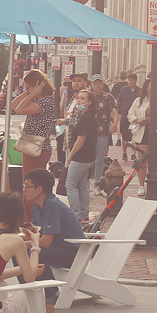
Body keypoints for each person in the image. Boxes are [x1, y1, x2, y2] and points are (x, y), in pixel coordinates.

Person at [24, 167, 86, 313]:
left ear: (39, 189)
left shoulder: (51, 205)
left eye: (27, 186)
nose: (24, 190)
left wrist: (21, 243)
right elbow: (37, 234)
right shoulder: (38, 205)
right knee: (25, 251)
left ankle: (50, 293)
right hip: (57, 249)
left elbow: (45, 242)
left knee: (35, 252)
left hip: (72, 253)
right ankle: (29, 288)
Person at [12, 69, 57, 174]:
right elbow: (13, 105)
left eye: (28, 87)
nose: (27, 90)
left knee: (31, 179)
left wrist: (31, 94)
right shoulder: (37, 100)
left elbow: (19, 110)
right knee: (28, 178)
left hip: (39, 147)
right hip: (30, 145)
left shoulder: (46, 101)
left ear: (38, 85)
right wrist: (28, 92)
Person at [64, 90, 99, 223]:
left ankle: (76, 215)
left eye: (82, 99)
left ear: (89, 102)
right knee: (82, 185)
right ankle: (83, 214)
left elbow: (80, 140)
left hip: (81, 157)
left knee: (70, 185)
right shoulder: (87, 116)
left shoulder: (87, 117)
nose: (78, 100)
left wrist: (71, 155)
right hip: (87, 156)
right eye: (78, 98)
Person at [88, 74, 119, 176]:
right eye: (95, 83)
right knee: (88, 157)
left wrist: (115, 123)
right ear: (91, 85)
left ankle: (97, 181)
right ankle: (86, 179)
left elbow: (114, 111)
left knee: (100, 159)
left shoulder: (108, 97)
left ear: (103, 84)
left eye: (100, 83)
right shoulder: (88, 96)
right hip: (89, 132)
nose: (98, 86)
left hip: (103, 131)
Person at [127, 79, 152, 193]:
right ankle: (141, 185)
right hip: (143, 133)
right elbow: (130, 114)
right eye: (151, 86)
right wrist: (137, 119)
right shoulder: (139, 101)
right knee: (142, 160)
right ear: (146, 88)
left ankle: (152, 184)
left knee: (155, 162)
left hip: (156, 133)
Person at [116, 72, 139, 158]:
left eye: (132, 80)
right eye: (129, 80)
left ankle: (133, 153)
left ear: (135, 81)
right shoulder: (123, 90)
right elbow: (118, 99)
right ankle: (124, 152)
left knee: (135, 134)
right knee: (124, 134)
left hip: (135, 116)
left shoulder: (140, 91)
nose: (130, 82)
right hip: (125, 114)